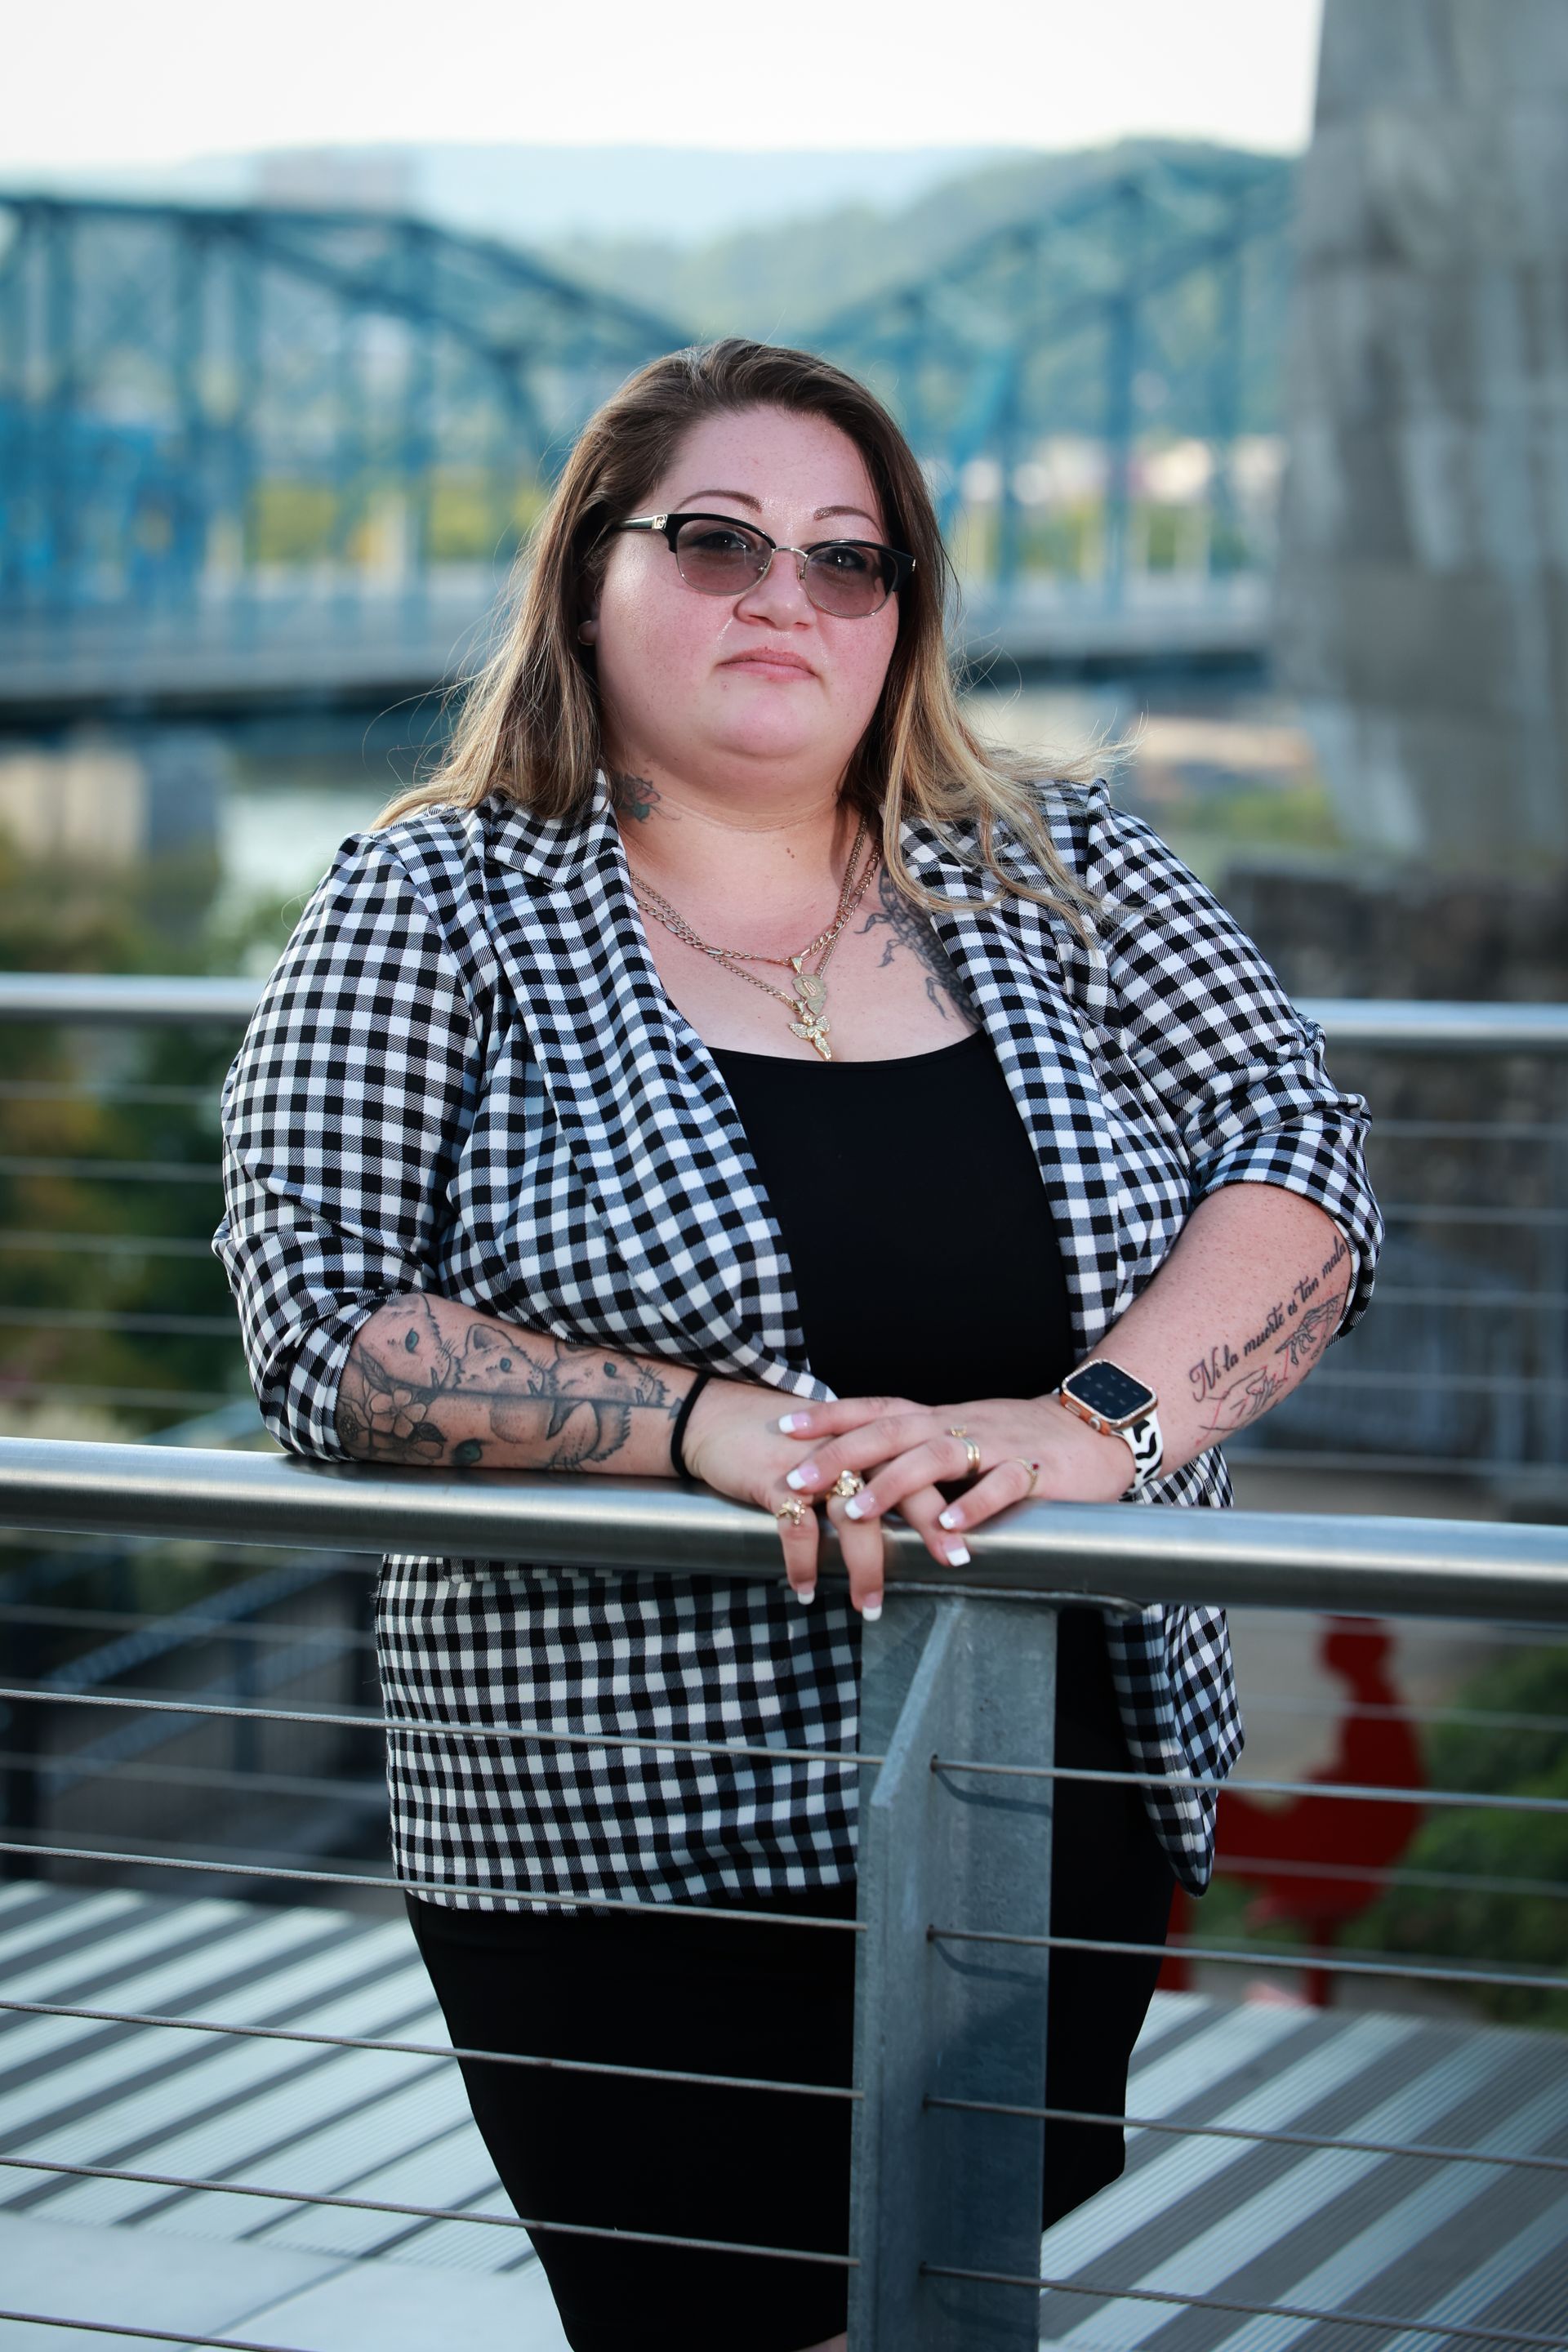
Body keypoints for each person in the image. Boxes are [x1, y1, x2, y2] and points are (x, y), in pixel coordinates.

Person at [213, 336, 1382, 2352]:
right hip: (616, 1832)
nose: (789, 595)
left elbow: (1302, 1152)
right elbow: (315, 1316)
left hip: (1036, 1774)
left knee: (948, 2307)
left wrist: (1101, 1421)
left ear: (906, 614)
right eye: (719, 539)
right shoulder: (439, 900)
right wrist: (717, 1431)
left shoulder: (1064, 863)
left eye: (855, 560)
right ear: (592, 574)